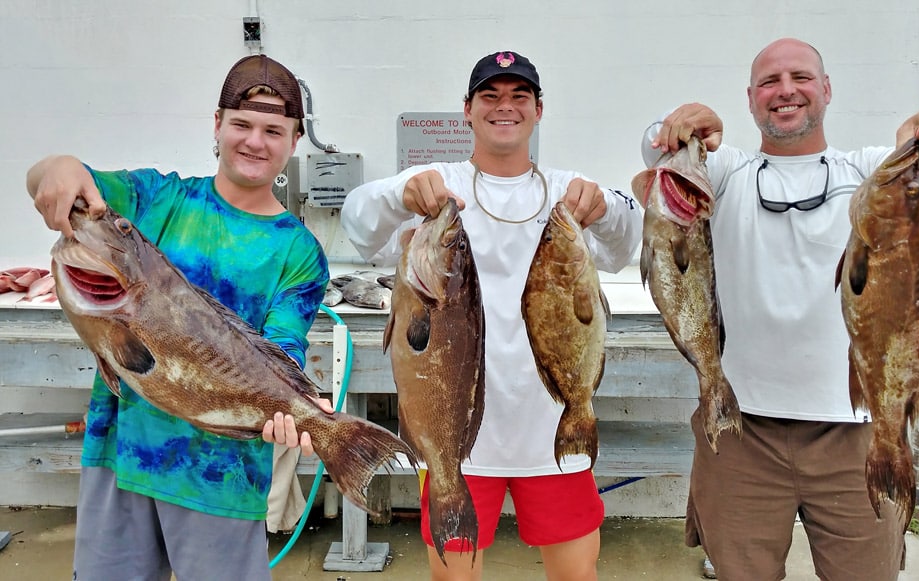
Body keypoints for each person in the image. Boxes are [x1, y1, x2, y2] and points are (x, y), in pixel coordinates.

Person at [641, 38, 919, 581]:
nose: (786, 91)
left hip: (856, 432)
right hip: (740, 430)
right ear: (751, 100)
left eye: (800, 77)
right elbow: (656, 151)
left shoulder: (871, 171)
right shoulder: (725, 175)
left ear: (826, 90)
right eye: (770, 82)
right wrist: (680, 121)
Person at [26, 54, 332, 580]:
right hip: (120, 460)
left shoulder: (299, 252)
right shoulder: (156, 197)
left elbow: (281, 350)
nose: (255, 141)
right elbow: (57, 184)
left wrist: (296, 405)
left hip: (220, 477)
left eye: (272, 130)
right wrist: (56, 168)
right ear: (217, 125)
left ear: (294, 140)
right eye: (241, 124)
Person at [341, 50, 643, 580]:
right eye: (491, 96)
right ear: (468, 110)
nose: (505, 107)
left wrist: (609, 206)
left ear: (539, 110)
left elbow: (626, 242)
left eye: (519, 96)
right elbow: (360, 223)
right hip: (456, 433)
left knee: (577, 573)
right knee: (453, 575)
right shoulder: (436, 186)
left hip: (553, 431)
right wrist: (398, 192)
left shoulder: (565, 190)